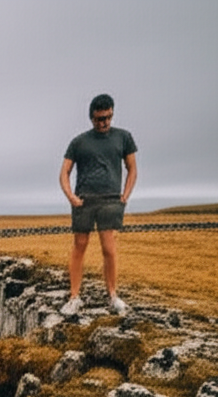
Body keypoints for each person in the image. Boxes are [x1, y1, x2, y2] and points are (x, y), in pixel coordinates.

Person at [58, 93, 137, 316]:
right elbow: (64, 172)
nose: (104, 123)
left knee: (109, 248)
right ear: (91, 118)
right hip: (84, 200)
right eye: (99, 119)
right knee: (79, 246)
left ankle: (113, 296)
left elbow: (132, 168)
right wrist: (71, 196)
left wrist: (125, 195)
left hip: (111, 199)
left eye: (108, 118)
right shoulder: (79, 142)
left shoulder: (123, 137)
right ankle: (74, 297)